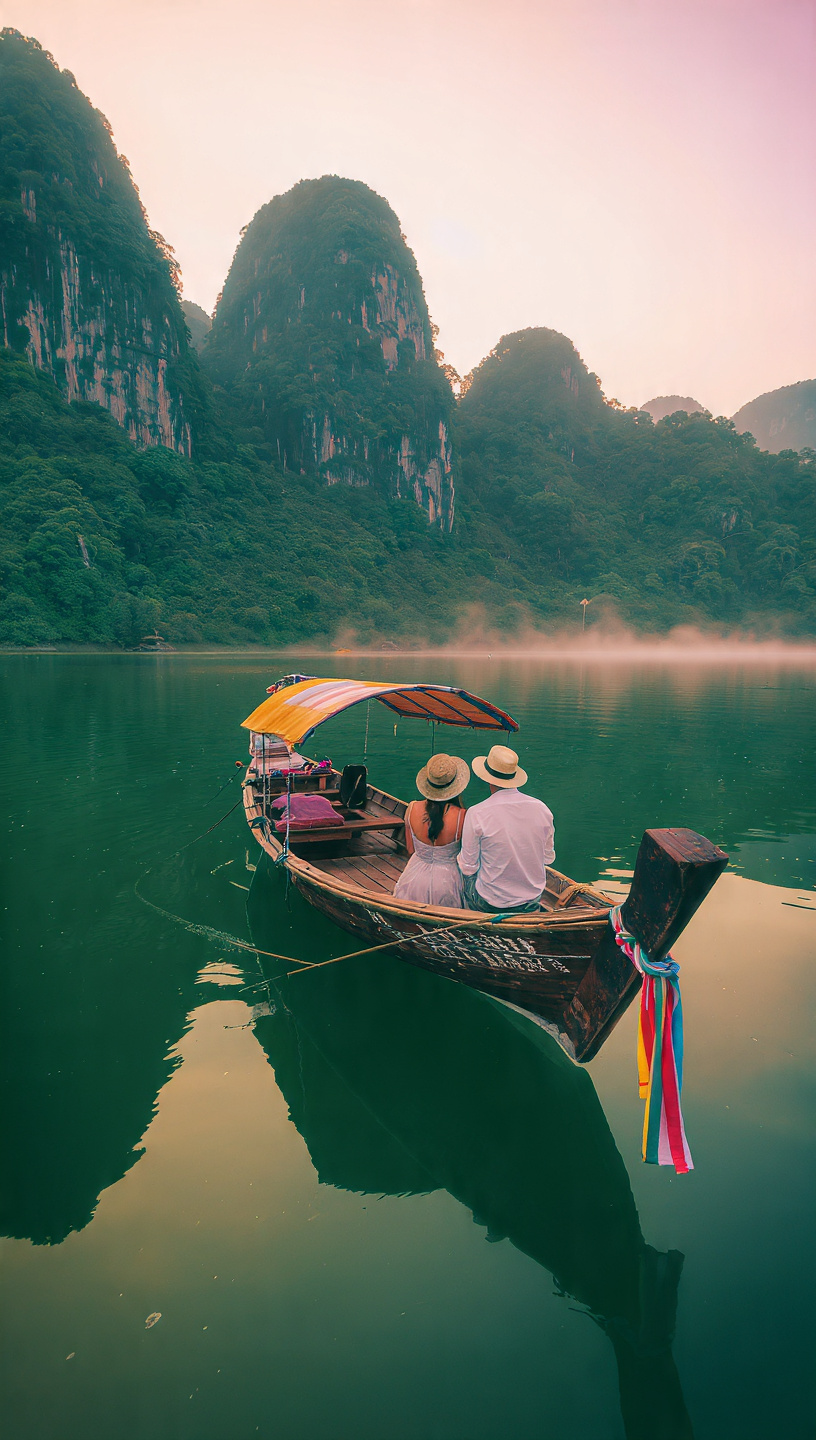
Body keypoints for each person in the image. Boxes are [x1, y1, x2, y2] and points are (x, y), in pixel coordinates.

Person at [457, 745, 554, 914]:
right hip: (532, 900)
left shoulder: (477, 813)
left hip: (490, 902)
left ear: (487, 778)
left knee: (462, 874)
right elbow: (548, 858)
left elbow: (468, 867)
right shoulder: (542, 809)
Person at [393, 753, 470, 908]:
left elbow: (410, 849)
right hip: (448, 882)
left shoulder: (412, 807)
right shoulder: (462, 816)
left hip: (414, 878)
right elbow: (467, 857)